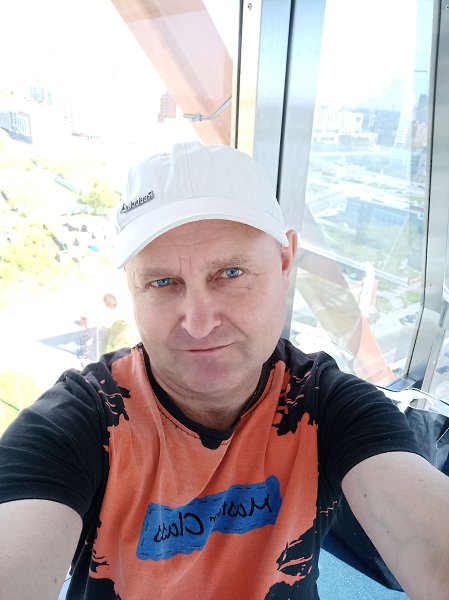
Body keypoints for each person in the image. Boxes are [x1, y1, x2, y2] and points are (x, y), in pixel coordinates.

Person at [0, 141, 448, 600]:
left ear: (284, 262)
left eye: (231, 273)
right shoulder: (85, 420)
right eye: (162, 282)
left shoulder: (326, 408)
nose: (199, 323)